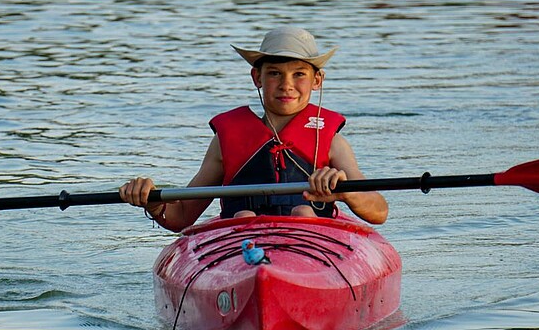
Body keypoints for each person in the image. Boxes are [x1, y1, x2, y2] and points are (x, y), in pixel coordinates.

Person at [119, 27, 388, 231]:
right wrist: (153, 203)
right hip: (243, 240)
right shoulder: (225, 141)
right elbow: (181, 217)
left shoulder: (332, 142)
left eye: (299, 74)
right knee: (244, 218)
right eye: (274, 73)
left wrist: (346, 192)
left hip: (311, 236)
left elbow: (379, 212)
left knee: (304, 214)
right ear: (257, 77)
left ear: (317, 80)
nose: (286, 84)